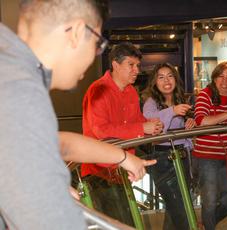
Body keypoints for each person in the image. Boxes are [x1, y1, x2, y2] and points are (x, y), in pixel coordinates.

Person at [0, 1, 156, 229]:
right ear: (76, 32)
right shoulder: (20, 90)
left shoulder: (11, 70)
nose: (95, 55)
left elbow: (59, 143)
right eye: (97, 44)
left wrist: (123, 158)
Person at [81, 42, 163, 225]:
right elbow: (102, 130)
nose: (136, 70)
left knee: (126, 221)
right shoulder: (98, 90)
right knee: (120, 224)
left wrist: (150, 125)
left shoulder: (131, 92)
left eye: (138, 65)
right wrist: (142, 128)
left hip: (121, 169)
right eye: (131, 65)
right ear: (116, 65)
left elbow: (136, 121)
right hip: (99, 172)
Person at [142, 62, 196, 230]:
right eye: (161, 77)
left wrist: (190, 121)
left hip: (182, 155)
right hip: (162, 157)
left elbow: (183, 124)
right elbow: (152, 124)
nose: (167, 80)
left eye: (170, 76)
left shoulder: (180, 100)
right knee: (178, 206)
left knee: (178, 205)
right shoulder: (150, 102)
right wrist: (172, 111)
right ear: (155, 82)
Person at [192, 61, 227, 230]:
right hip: (206, 157)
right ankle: (209, 226)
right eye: (221, 76)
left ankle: (207, 225)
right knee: (210, 201)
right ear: (214, 78)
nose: (225, 81)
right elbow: (201, 121)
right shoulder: (205, 95)